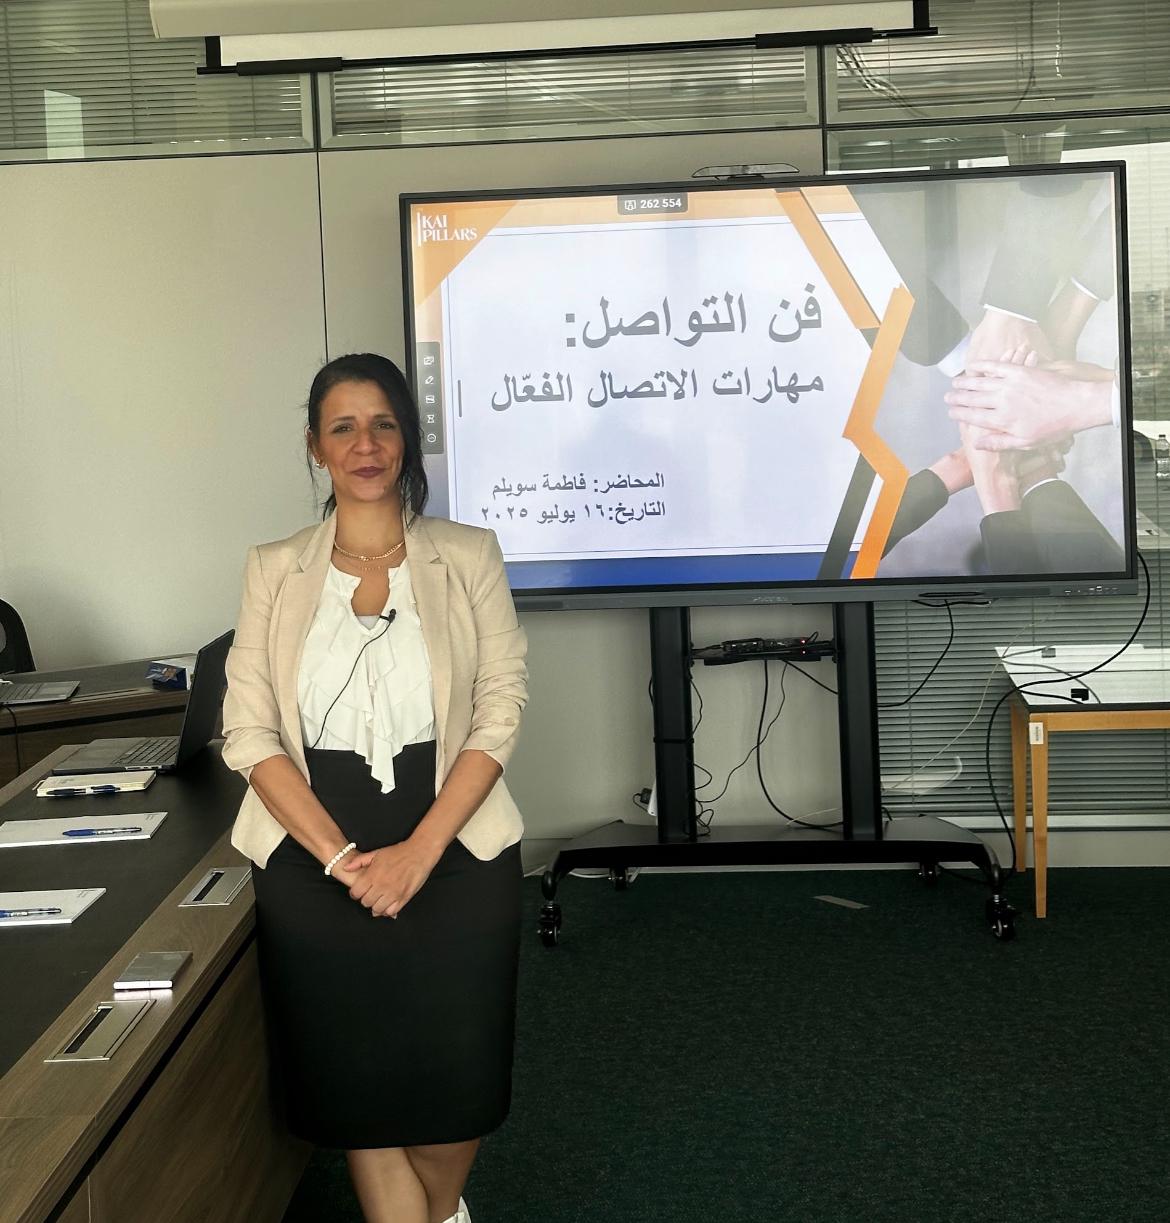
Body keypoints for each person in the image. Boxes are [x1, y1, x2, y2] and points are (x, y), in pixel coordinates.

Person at [221, 353, 528, 1223]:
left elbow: (500, 709)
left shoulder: (468, 555)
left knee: (456, 1093)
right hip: (314, 858)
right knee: (360, 1093)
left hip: (455, 847)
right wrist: (344, 859)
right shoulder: (274, 567)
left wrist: (418, 853)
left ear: (406, 439)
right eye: (344, 426)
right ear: (314, 445)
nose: (366, 443)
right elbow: (248, 732)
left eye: (383, 423)